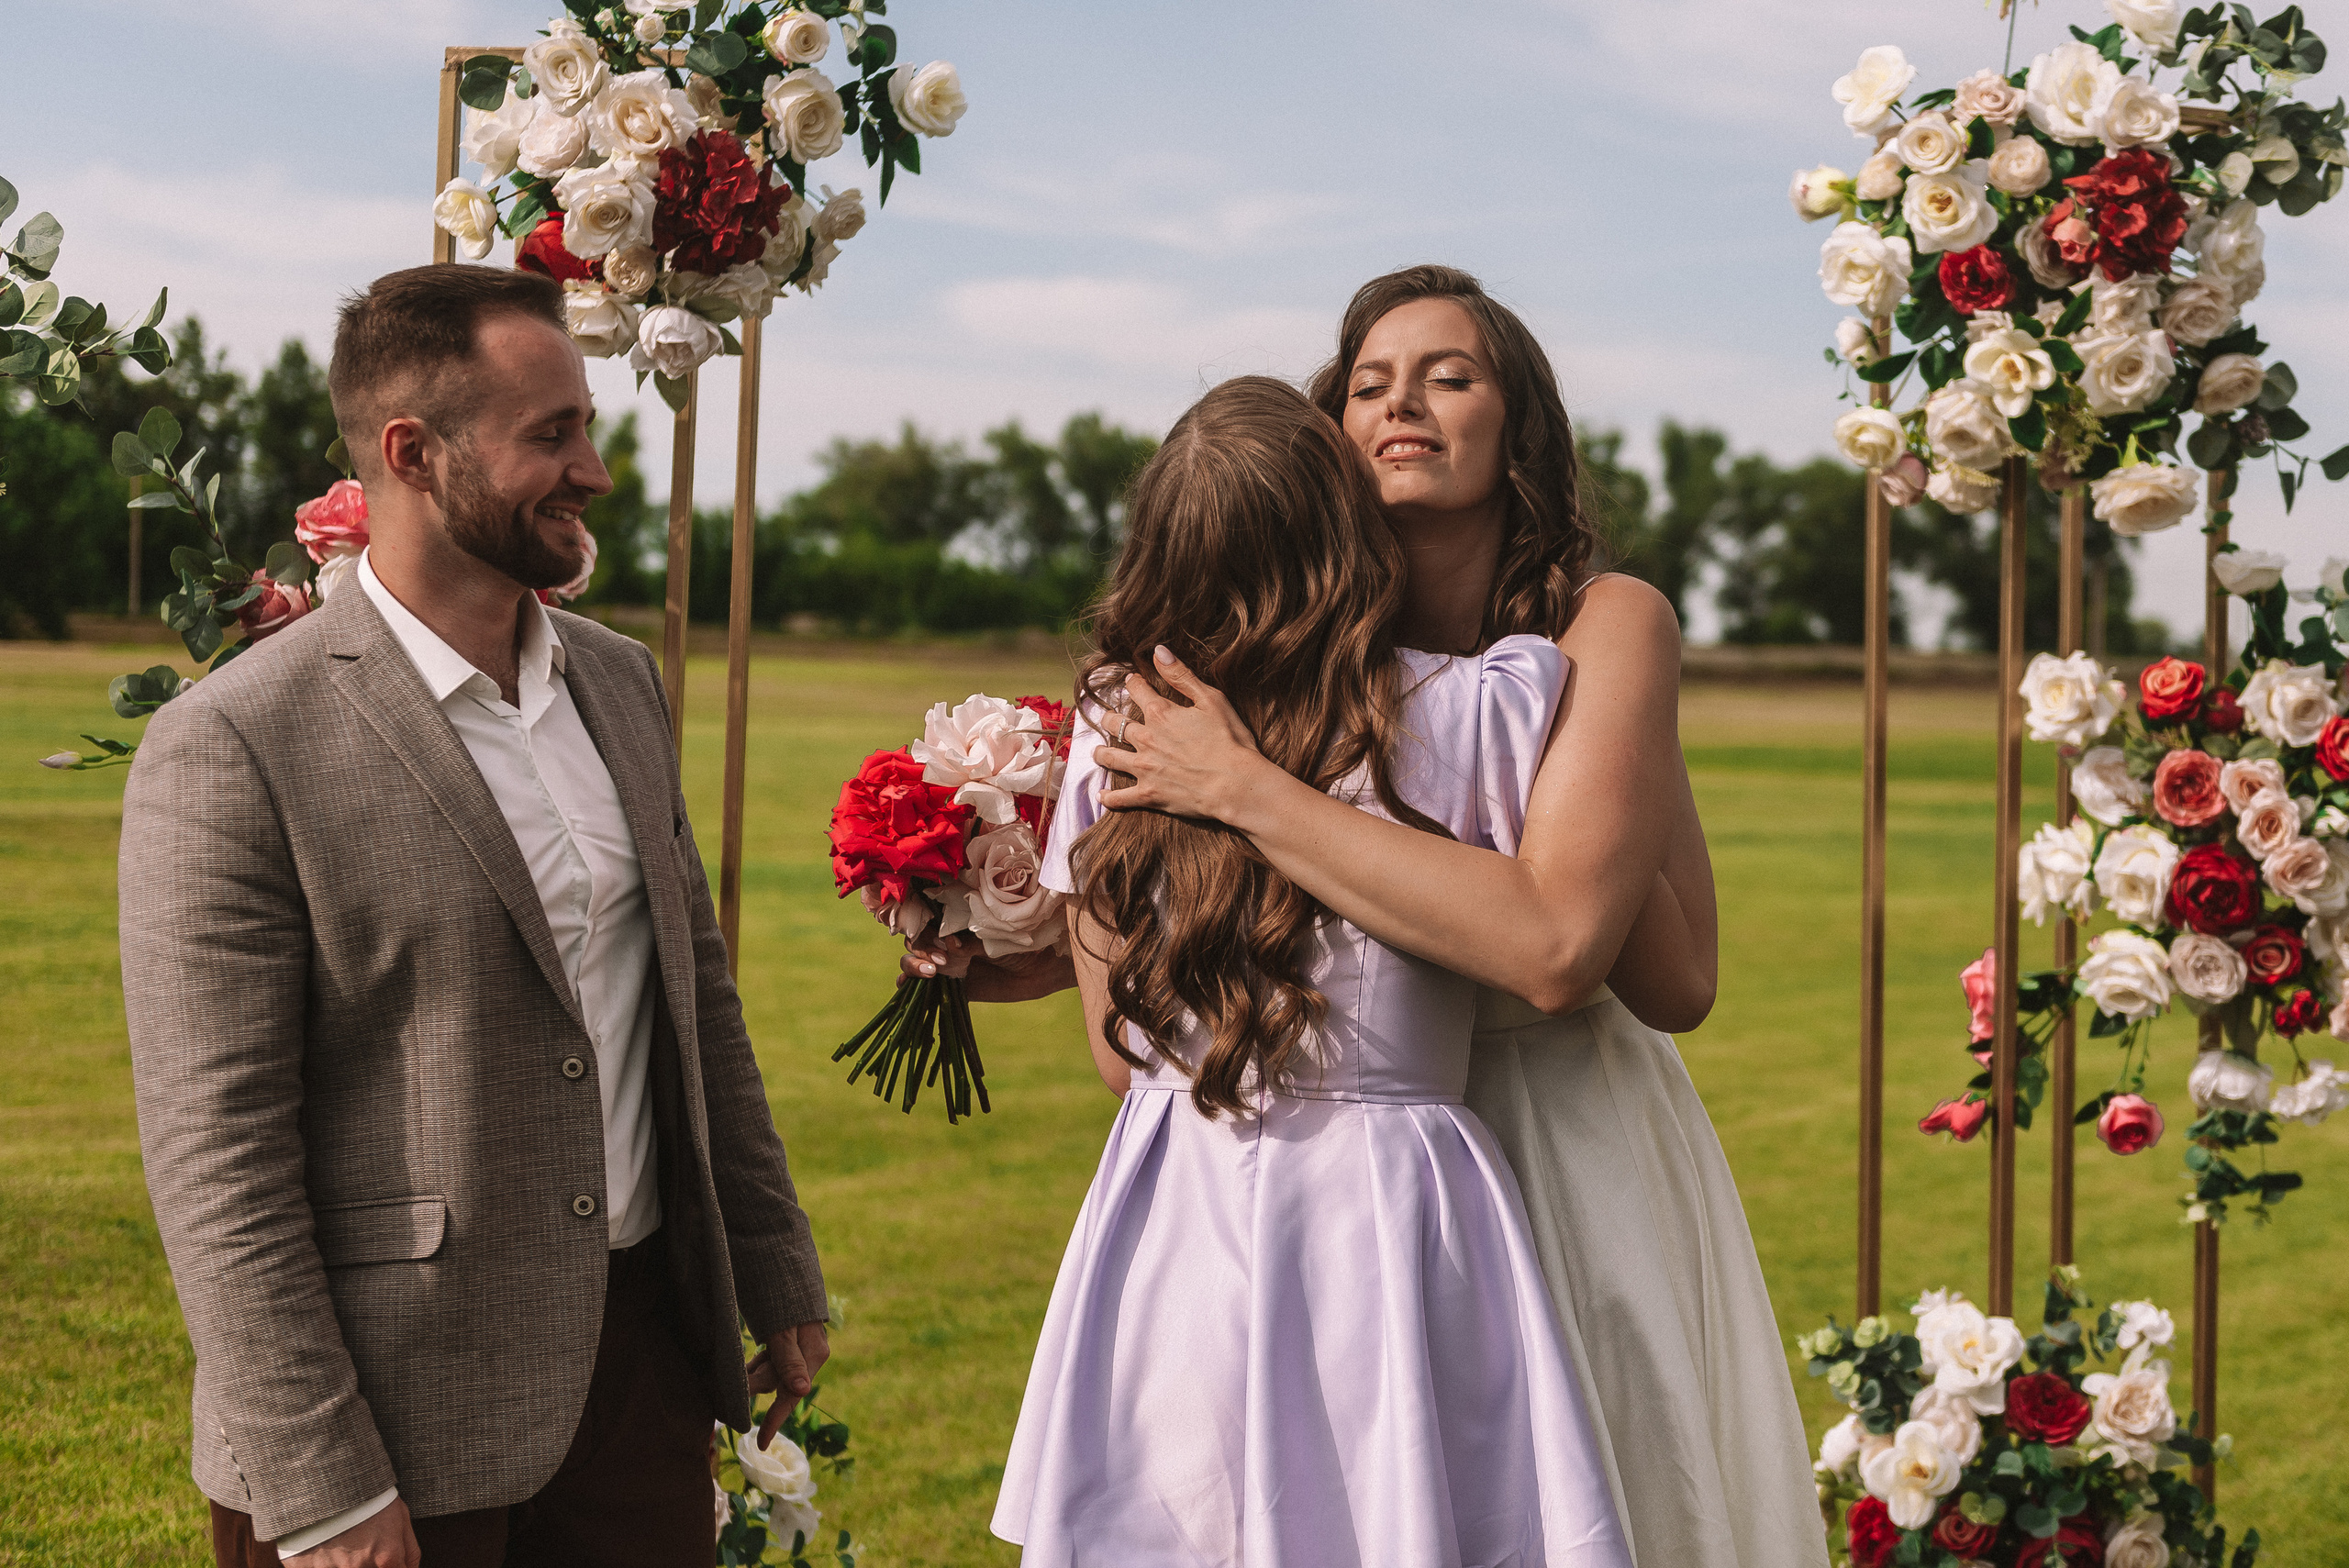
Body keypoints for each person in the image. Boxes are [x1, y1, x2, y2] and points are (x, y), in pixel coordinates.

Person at [943, 267, 1826, 1568]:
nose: (1402, 399)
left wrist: (1246, 790)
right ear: (1327, 439)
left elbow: (1595, 958)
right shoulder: (1260, 673)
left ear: (1519, 426)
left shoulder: (1576, 642)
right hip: (1316, 1150)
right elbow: (1171, 978)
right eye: (1368, 382)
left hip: (1547, 1134)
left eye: (1450, 375)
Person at [120, 264, 829, 1568]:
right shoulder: (232, 742)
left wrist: (774, 1264)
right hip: (392, 1413)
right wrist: (322, 1482)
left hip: (636, 1381)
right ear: (414, 452)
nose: (594, 469)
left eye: (589, 425)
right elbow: (217, 1158)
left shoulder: (620, 684)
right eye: (550, 434)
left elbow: (696, 1001)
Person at [991, 374, 1635, 1567]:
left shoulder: (1114, 728)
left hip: (1178, 1184)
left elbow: (1111, 1045)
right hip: (1389, 1197)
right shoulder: (1473, 711)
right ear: (1351, 540)